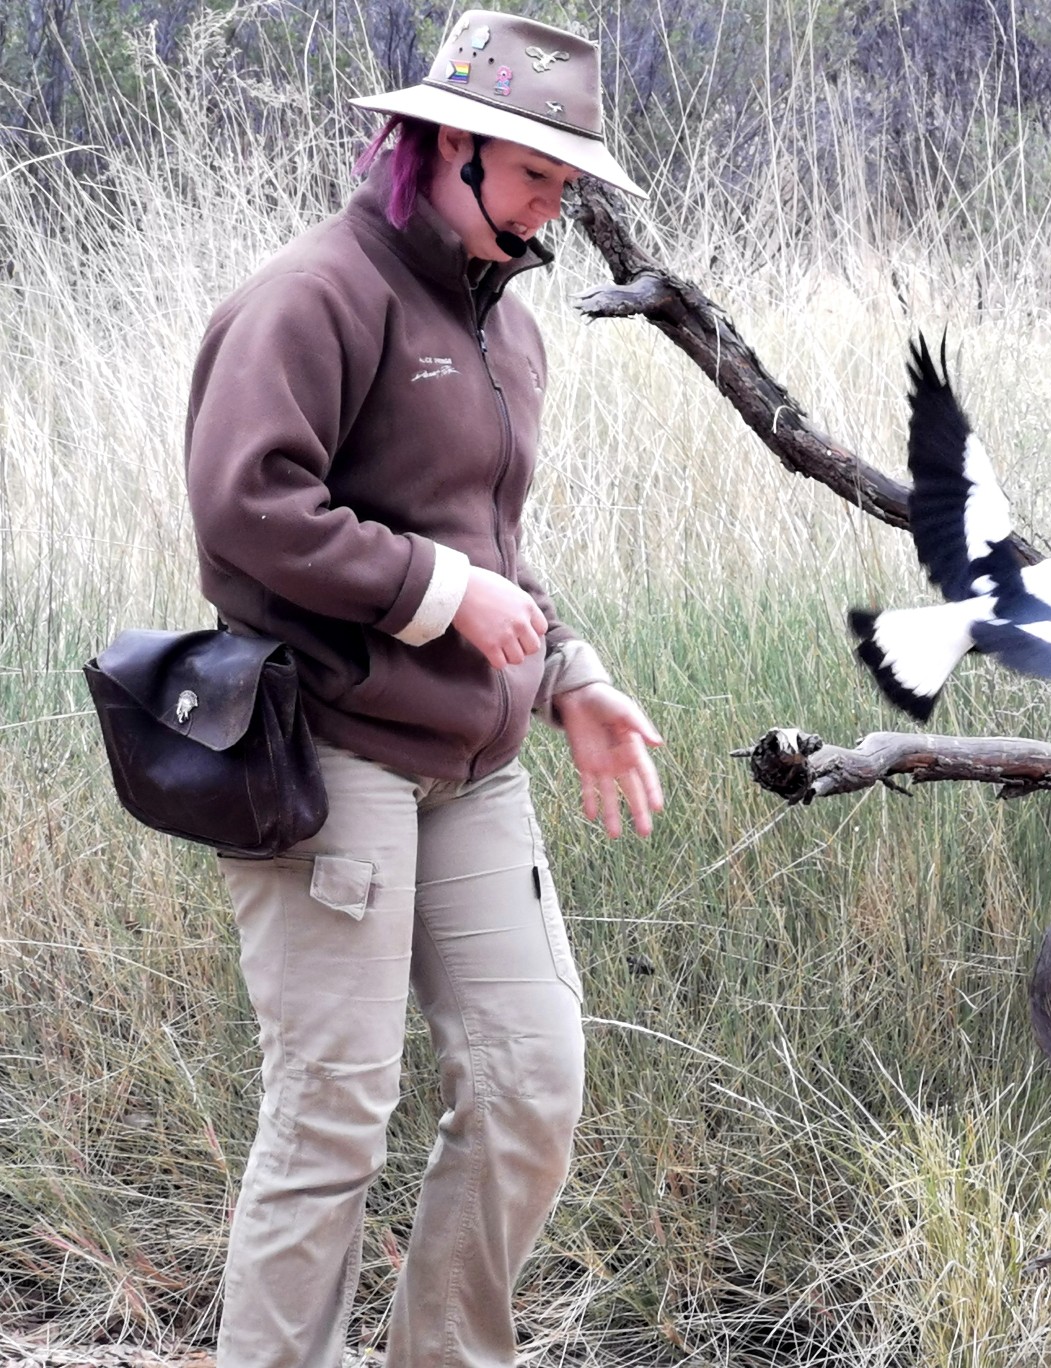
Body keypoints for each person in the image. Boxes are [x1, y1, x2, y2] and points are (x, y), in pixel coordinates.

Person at [183, 13, 663, 1367]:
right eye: (533, 179)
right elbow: (245, 505)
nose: (549, 211)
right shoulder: (313, 295)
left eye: (566, 186)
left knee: (531, 1084)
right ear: (447, 145)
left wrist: (572, 673)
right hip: (331, 753)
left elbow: (491, 549)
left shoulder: (502, 329)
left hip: (473, 770)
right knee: (333, 1115)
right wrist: (442, 598)